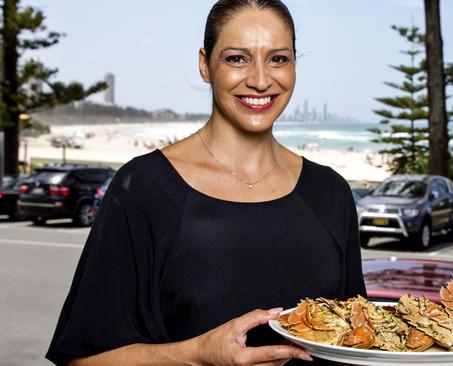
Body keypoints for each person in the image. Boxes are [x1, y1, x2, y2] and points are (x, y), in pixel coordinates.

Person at [45, 1, 366, 365]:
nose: (261, 79)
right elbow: (82, 360)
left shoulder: (331, 193)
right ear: (204, 64)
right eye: (237, 59)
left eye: (278, 59)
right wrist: (198, 355)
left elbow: (359, 345)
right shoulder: (144, 189)